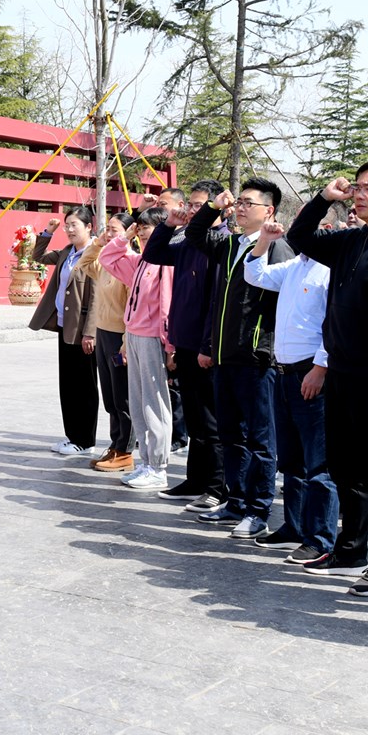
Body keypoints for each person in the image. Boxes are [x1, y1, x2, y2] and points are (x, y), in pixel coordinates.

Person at [284, 160, 368, 594]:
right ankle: (350, 549)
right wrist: (324, 198)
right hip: (340, 369)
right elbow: (299, 238)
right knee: (345, 466)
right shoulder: (349, 240)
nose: (359, 195)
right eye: (356, 187)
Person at [182, 180, 290, 535]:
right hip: (225, 355)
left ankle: (258, 510)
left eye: (248, 203)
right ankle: (235, 501)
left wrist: (266, 345)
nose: (240, 208)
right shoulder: (230, 244)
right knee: (230, 435)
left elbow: (282, 301)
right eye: (238, 202)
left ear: (268, 210)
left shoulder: (277, 247)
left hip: (256, 358)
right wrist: (214, 206)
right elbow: (195, 234)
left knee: (260, 439)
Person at [242, 223, 339, 563]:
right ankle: (294, 527)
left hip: (311, 372)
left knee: (319, 464)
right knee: (291, 460)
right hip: (284, 372)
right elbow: (255, 274)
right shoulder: (296, 265)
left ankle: (320, 538)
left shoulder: (329, 268)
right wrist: (264, 240)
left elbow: (333, 322)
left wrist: (321, 367)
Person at [142, 181, 227, 507]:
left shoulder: (220, 243)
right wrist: (167, 224)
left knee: (211, 421)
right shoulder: (189, 241)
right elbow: (153, 253)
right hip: (185, 344)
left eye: (199, 205)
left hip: (206, 349)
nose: (192, 210)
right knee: (195, 420)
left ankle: (217, 487)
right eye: (190, 204)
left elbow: (216, 303)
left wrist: (207, 346)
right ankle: (195, 480)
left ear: (219, 207)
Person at [94, 208, 177, 491]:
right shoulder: (139, 261)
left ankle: (159, 467)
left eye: (147, 227)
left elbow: (166, 306)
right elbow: (106, 257)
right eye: (139, 228)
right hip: (134, 335)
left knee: (155, 404)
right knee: (139, 403)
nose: (142, 232)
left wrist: (170, 345)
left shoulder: (165, 263)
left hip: (153, 337)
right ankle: (146, 462)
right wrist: (125, 236)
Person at [29, 206, 100, 457]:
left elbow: (97, 297)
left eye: (74, 225)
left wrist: (90, 333)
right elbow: (38, 256)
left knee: (85, 386)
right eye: (67, 225)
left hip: (83, 332)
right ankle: (72, 436)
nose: (69, 229)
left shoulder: (95, 254)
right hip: (64, 326)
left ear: (89, 227)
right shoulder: (66, 253)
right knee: (68, 385)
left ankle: (85, 440)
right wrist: (48, 232)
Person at [82, 213, 136, 474]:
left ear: (129, 233)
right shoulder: (106, 261)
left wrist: (125, 342)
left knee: (123, 396)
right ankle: (115, 444)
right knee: (111, 396)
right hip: (103, 333)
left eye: (115, 230)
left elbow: (132, 309)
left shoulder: (130, 263)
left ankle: (126, 451)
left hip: (119, 337)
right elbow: (85, 263)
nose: (109, 234)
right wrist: (97, 242)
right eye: (107, 229)